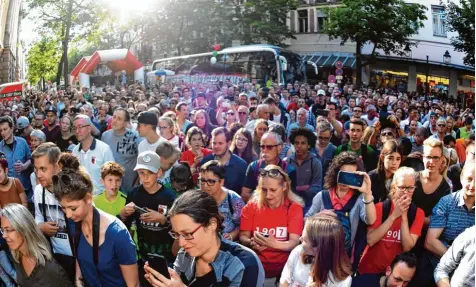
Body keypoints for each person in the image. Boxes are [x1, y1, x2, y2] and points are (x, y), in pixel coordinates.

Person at [144, 191, 265, 286]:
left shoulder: (242, 263)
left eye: (187, 234)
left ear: (212, 224)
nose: (181, 243)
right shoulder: (184, 255)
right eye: (176, 234)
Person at [53, 158, 139, 287]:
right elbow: (80, 258)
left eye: (73, 208)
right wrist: (78, 281)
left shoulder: (118, 234)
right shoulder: (74, 223)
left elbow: (133, 285)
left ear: (88, 198)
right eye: (63, 208)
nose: (68, 215)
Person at [119, 151, 177, 286]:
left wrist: (163, 219)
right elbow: (125, 227)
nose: (144, 177)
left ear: (159, 173)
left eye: (149, 173)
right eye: (141, 173)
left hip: (166, 257)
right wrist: (123, 214)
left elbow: (178, 231)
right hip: (143, 256)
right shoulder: (134, 194)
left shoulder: (169, 197)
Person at [305, 152, 377, 259]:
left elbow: (370, 220)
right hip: (319, 254)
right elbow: (306, 219)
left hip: (344, 257)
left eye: (351, 175)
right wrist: (318, 216)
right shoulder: (322, 196)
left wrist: (367, 193)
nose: (345, 179)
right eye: (343, 174)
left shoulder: (359, 199)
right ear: (335, 173)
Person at [416, 160, 475, 287]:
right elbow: (430, 241)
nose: (473, 184)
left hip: (468, 269)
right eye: (469, 179)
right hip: (436, 261)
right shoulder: (446, 203)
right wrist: (457, 261)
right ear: (461, 178)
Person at [240, 165, 304, 278]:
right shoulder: (251, 207)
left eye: (273, 190)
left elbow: (294, 242)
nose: (268, 195)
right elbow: (243, 236)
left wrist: (273, 243)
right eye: (264, 190)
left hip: (284, 270)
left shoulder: (294, 208)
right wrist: (251, 242)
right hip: (257, 267)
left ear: (284, 186)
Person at [358, 167, 425, 275]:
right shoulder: (380, 207)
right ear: (394, 187)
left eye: (410, 188)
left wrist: (404, 217)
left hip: (393, 274)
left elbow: (407, 246)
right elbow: (370, 240)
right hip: (370, 269)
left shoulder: (417, 213)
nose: (406, 192)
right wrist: (393, 216)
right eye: (402, 187)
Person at [1, 203, 72, 287]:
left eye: (8, 230)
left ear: (24, 228)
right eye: (2, 230)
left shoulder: (50, 271)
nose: (4, 235)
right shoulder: (17, 255)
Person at [32, 144, 75, 279]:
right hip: (55, 257)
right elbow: (38, 217)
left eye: (43, 169)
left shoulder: (72, 188)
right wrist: (40, 227)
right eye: (36, 169)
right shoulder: (39, 190)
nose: (38, 175)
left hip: (78, 257)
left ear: (57, 166)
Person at [280, 214, 352, 287]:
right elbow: (285, 279)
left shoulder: (342, 280)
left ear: (318, 247)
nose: (300, 239)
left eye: (305, 240)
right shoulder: (298, 251)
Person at [242, 132, 298, 201]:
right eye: (262, 147)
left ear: (279, 148)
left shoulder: (289, 171)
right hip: (258, 208)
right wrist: (265, 201)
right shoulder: (253, 167)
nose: (264, 150)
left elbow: (291, 199)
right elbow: (244, 195)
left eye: (269, 147)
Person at [199, 161, 245, 241]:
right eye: (202, 180)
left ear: (221, 182)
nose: (205, 185)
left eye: (211, 181)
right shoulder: (197, 198)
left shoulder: (233, 199)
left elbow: (243, 224)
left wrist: (232, 235)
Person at [72, 114, 115, 195]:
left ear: (89, 128)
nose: (77, 131)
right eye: (75, 128)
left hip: (101, 199)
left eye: (80, 127)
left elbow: (112, 176)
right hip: (82, 198)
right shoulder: (75, 151)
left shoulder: (104, 149)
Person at [412, 138, 451, 225]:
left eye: (436, 158)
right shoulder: (412, 179)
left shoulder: (445, 188)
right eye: (428, 157)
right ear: (423, 158)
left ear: (441, 160)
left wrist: (416, 218)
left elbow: (440, 220)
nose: (431, 162)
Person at [101, 107, 140, 192]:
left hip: (129, 188)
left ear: (125, 122)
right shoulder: (105, 135)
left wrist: (137, 183)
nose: (115, 121)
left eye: (119, 119)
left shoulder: (136, 137)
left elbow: (140, 162)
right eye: (114, 117)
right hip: (110, 188)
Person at [200, 127, 248, 194]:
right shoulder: (205, 161)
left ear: (229, 143)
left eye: (220, 143)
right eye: (214, 143)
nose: (216, 146)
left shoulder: (241, 165)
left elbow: (243, 193)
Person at [286, 128, 323, 213]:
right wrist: (304, 187)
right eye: (296, 143)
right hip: (290, 203)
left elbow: (317, 188)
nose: (299, 146)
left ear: (309, 145)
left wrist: (297, 189)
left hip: (309, 204)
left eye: (303, 143)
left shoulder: (315, 162)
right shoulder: (287, 161)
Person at [0, 116, 33, 202]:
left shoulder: (22, 142)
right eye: (1, 130)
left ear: (12, 128)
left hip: (25, 188)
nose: (3, 133)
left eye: (5, 129)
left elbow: (30, 158)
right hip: (8, 190)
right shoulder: (0, 147)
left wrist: (24, 166)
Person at [351, 252, 418, 287]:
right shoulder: (362, 283)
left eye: (405, 283)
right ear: (388, 271)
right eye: (397, 279)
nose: (400, 286)